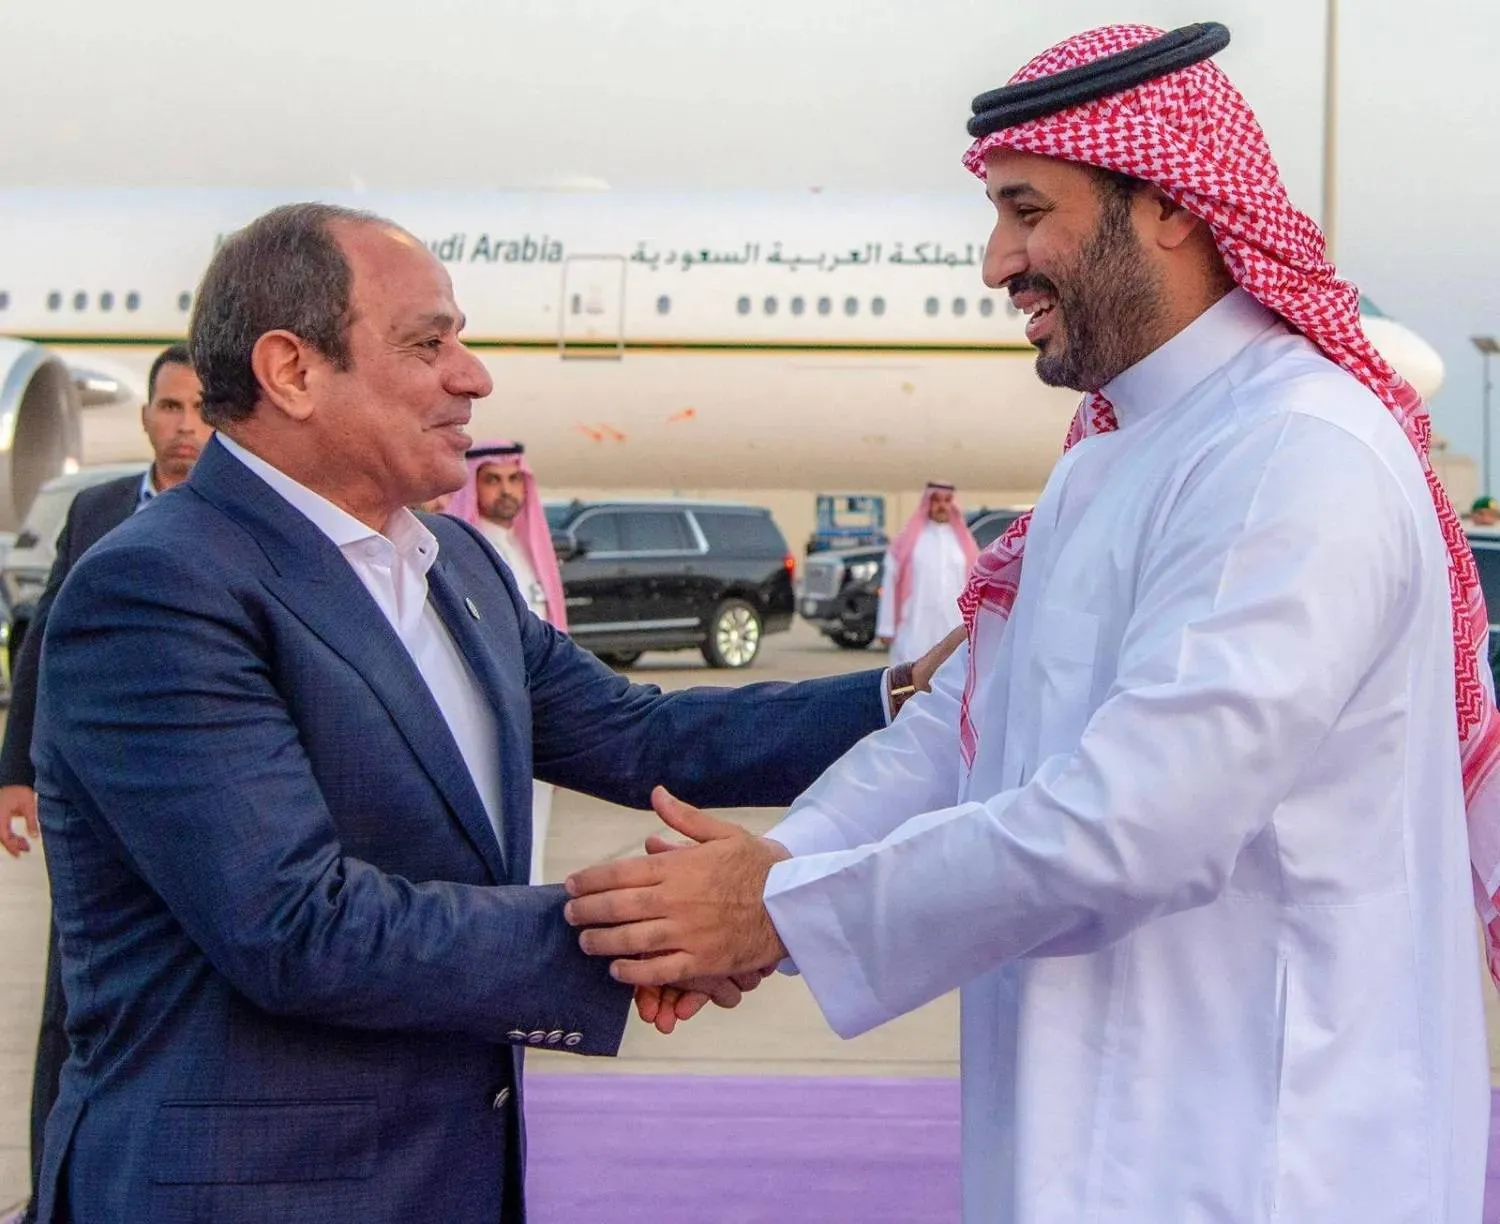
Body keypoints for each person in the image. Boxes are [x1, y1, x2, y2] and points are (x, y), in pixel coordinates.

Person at [562, 22, 1495, 1221]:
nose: (997, 261)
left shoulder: (1292, 455)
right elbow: (967, 724)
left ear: (1165, 201)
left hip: (1267, 1153)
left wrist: (777, 914)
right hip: (1086, 1138)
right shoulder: (1120, 454)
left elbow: (1134, 827)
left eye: (1027, 210)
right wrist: (790, 862)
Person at [28, 202, 954, 1224]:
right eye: (430, 343)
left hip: (446, 1176)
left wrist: (908, 697)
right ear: (291, 370)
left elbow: (640, 736)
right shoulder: (162, 589)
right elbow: (296, 928)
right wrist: (670, 928)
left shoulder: (453, 565)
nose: (473, 376)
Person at [0, 345, 210, 1224]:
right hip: (93, 803)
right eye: (169, 407)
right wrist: (14, 775)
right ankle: (56, 1186)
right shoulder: (94, 512)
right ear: (146, 417)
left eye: (200, 408)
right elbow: (42, 644)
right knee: (73, 996)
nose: (184, 426)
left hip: (200, 801)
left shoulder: (236, 514)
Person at [445, 440, 566, 881]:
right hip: (490, 721)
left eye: (515, 479)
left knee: (533, 841)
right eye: (492, 480)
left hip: (538, 718)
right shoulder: (464, 554)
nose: (506, 490)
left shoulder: (527, 549)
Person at [875, 482, 979, 659]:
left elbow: (976, 587)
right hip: (914, 629)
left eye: (947, 500)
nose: (942, 505)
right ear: (928, 503)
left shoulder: (964, 545)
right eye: (936, 500)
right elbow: (891, 585)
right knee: (910, 680)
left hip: (953, 627)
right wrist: (886, 627)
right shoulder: (908, 542)